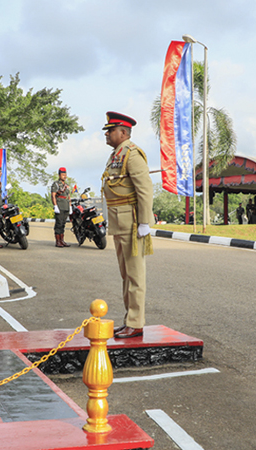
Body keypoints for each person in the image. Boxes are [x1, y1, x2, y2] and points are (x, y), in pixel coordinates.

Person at [101, 112, 153, 339]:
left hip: (132, 223)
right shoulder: (116, 155)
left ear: (123, 132)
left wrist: (144, 222)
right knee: (126, 275)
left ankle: (136, 322)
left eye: (110, 130)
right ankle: (129, 320)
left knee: (135, 275)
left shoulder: (132, 154)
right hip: (119, 222)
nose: (107, 134)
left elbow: (145, 189)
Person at [51, 167, 71, 247]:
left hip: (66, 206)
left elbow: (68, 196)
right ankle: (58, 241)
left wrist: (70, 206)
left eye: (65, 175)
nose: (65, 176)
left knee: (63, 224)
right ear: (59, 175)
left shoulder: (66, 185)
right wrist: (55, 206)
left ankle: (62, 240)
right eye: (63, 175)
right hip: (59, 206)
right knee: (59, 224)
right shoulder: (56, 184)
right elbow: (53, 195)